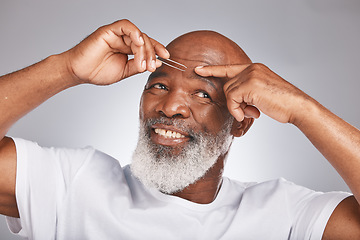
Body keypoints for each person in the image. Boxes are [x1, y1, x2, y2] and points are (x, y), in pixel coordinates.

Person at [0, 19, 359, 239]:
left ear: (241, 124)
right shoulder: (75, 183)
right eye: (158, 85)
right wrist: (67, 68)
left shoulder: (285, 214)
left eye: (203, 93)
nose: (170, 107)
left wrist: (302, 109)